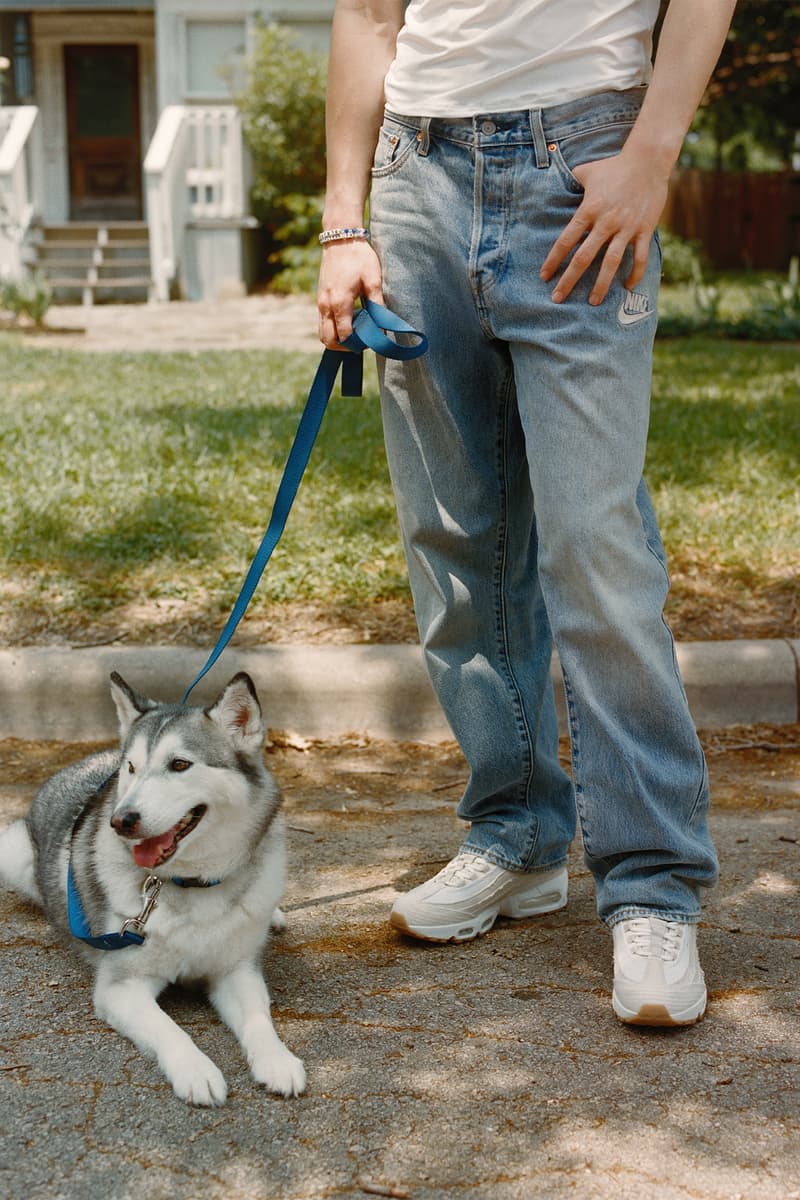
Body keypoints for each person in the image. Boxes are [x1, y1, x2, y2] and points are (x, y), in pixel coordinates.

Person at [317, 0, 736, 1027]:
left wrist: (651, 154)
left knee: (593, 544)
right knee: (456, 536)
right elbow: (368, 13)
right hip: (417, 176)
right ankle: (516, 834)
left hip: (581, 159)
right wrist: (345, 219)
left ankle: (649, 887)